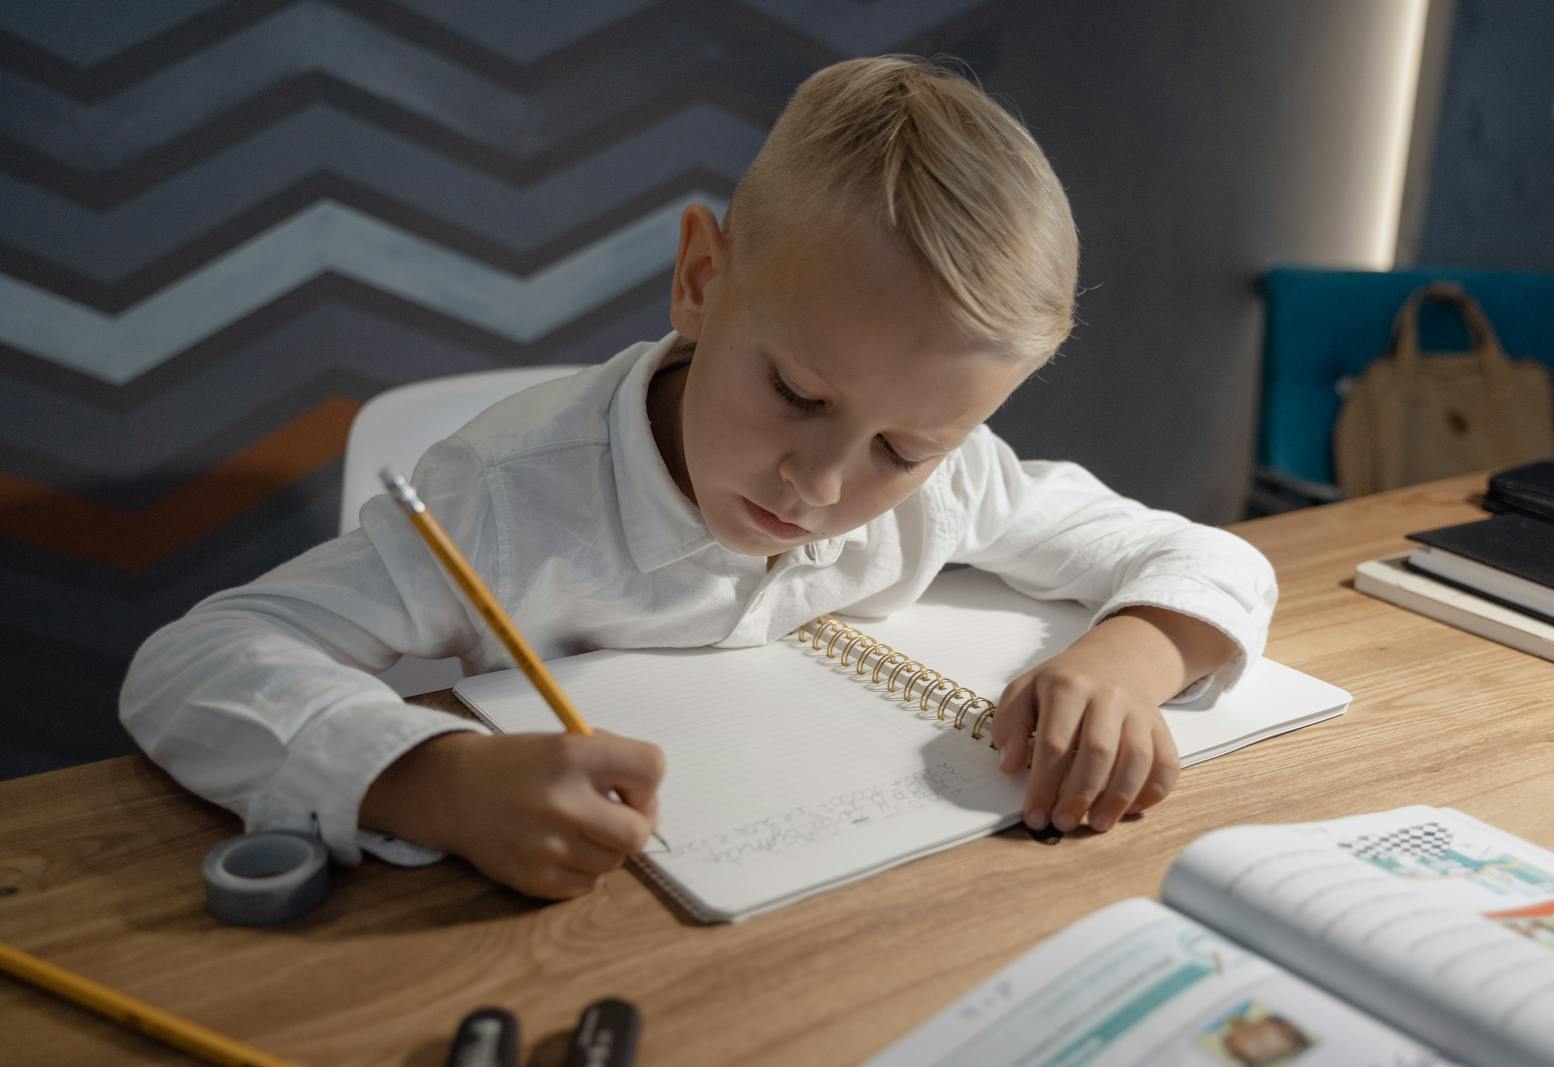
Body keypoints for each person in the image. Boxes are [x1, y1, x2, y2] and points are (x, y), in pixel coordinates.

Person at [121, 56, 1275, 902]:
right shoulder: (506, 500)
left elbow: (1209, 553)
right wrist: (439, 783)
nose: (821, 482)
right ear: (700, 276)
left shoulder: (952, 481)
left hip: (848, 897)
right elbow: (195, 661)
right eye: (798, 393)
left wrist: (1126, 656)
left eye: (899, 448)